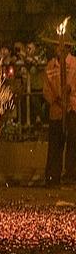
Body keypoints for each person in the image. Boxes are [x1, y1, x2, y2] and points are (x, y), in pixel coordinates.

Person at [43, 43, 76, 186]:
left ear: (68, 48)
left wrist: (69, 93)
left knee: (73, 144)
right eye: (57, 47)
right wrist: (56, 99)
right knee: (55, 145)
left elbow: (71, 85)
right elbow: (46, 89)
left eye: (63, 47)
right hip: (56, 111)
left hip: (73, 109)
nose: (59, 50)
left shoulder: (74, 64)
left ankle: (71, 176)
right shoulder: (50, 66)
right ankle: (52, 177)